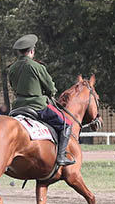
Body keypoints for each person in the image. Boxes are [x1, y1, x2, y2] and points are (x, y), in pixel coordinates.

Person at [7, 33, 74, 167]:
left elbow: (13, 87)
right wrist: (50, 93)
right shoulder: (37, 67)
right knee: (67, 124)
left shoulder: (12, 68)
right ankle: (61, 156)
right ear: (32, 51)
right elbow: (51, 88)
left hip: (17, 107)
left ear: (19, 52)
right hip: (37, 106)